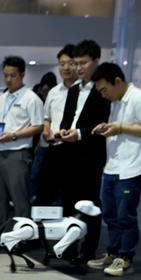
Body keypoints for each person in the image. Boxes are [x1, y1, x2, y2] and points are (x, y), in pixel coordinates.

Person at [86, 63, 141, 276]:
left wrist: (119, 128)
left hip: (134, 167)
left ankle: (126, 257)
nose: (103, 95)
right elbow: (124, 128)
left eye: (104, 90)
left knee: (125, 214)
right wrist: (107, 127)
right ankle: (113, 252)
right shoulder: (116, 102)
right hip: (114, 165)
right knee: (109, 213)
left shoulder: (139, 98)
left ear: (117, 81)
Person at [0, 56, 43, 249]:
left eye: (12, 75)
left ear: (22, 74)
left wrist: (13, 136)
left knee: (20, 199)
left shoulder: (32, 99)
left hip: (18, 153)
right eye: (5, 75)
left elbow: (38, 126)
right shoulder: (1, 99)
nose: (8, 79)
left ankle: (23, 237)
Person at [53, 39, 111, 262]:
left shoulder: (102, 90)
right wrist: (63, 131)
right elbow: (69, 118)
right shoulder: (74, 89)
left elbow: (103, 122)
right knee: (68, 202)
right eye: (75, 63)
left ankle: (87, 251)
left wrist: (79, 133)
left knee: (90, 204)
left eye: (83, 63)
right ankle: (67, 246)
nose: (78, 68)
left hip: (91, 155)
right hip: (68, 152)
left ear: (96, 61)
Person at [34, 44, 78, 205]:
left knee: (69, 197)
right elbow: (47, 118)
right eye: (62, 63)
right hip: (52, 148)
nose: (66, 67)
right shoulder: (54, 92)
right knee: (45, 193)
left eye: (71, 63)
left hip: (75, 150)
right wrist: (46, 131)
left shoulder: (85, 91)